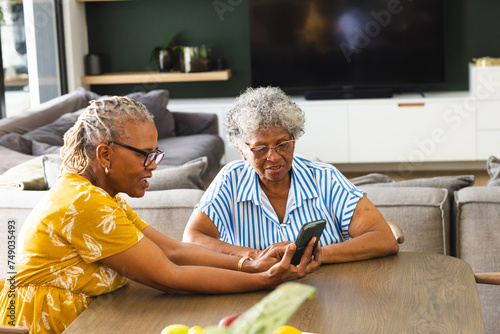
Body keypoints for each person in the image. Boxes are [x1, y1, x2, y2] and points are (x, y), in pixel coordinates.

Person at [0, 96, 321, 334]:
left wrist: (252, 262)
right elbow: (170, 276)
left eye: (156, 152)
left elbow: (174, 250)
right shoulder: (82, 203)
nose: (154, 163)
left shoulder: (102, 198)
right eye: (145, 154)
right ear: (105, 154)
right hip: (54, 326)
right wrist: (263, 280)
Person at [183, 86, 399, 269]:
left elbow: (384, 239)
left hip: (331, 291)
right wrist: (256, 256)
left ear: (294, 139)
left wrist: (312, 256)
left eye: (283, 144)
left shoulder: (324, 177)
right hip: (253, 294)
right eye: (260, 148)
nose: (274, 156)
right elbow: (192, 239)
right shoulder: (230, 180)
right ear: (242, 151)